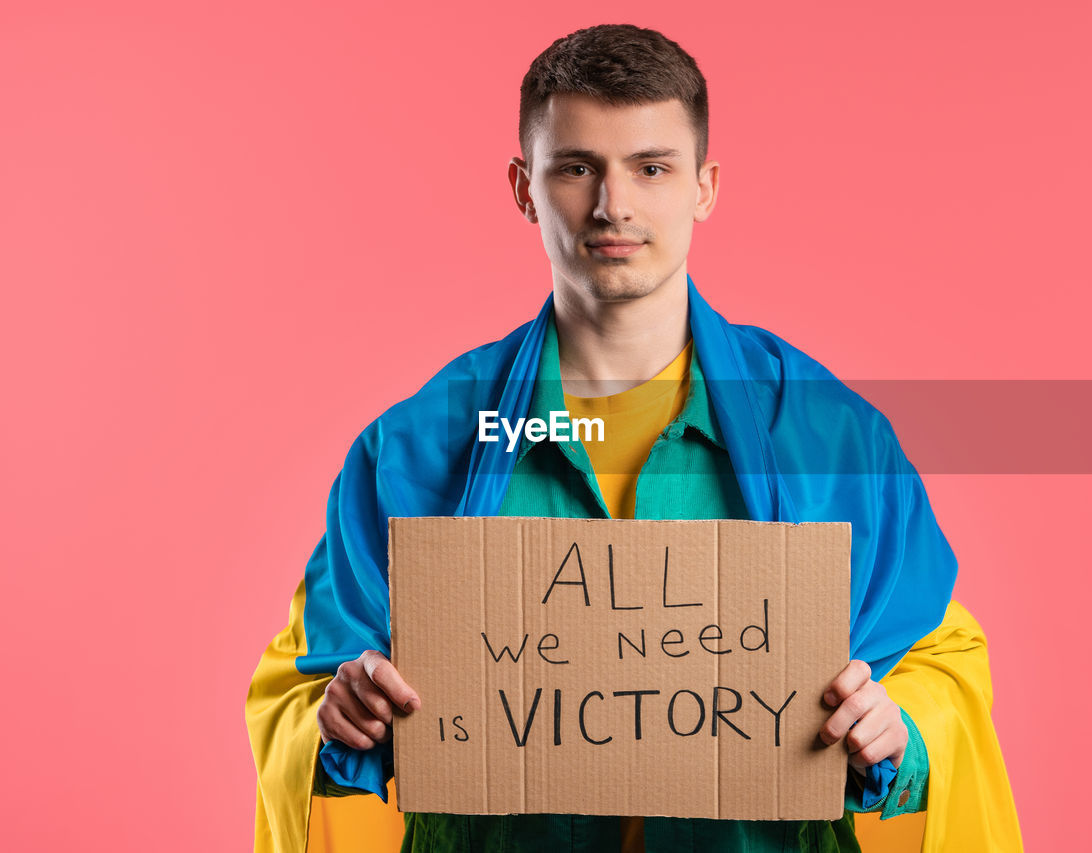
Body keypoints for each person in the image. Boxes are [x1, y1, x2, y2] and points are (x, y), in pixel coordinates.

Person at [246, 24, 1022, 853]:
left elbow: (941, 658)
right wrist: (341, 715)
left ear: (704, 186)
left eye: (652, 168)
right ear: (523, 186)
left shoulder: (835, 437)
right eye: (577, 168)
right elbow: (297, 686)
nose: (613, 205)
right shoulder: (413, 448)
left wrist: (901, 727)